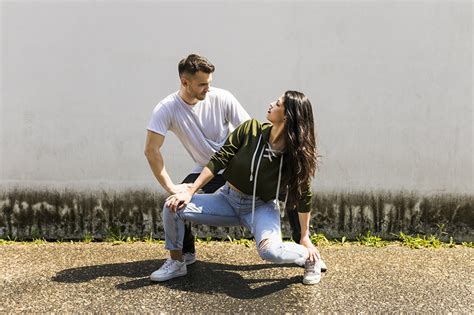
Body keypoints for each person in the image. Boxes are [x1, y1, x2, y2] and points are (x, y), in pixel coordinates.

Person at [151, 91, 323, 285]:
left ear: (287, 115)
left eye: (277, 103)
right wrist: (190, 192)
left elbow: (303, 194)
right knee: (172, 206)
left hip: (261, 207)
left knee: (270, 252)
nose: (271, 104)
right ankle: (177, 262)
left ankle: (310, 257)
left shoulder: (294, 153)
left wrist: (305, 236)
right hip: (227, 199)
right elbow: (219, 159)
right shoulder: (251, 130)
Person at [144, 54, 250, 265]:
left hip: (236, 167)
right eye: (202, 84)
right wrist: (171, 187)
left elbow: (250, 133)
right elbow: (151, 150)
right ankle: (185, 255)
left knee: (291, 190)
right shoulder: (167, 108)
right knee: (176, 202)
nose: (207, 89)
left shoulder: (222, 97)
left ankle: (306, 248)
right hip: (206, 170)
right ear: (185, 82)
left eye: (209, 83)